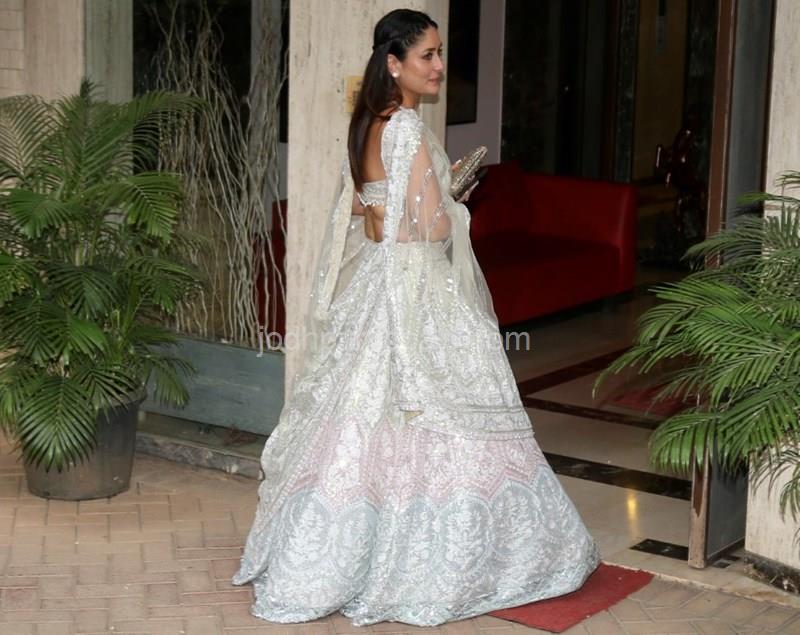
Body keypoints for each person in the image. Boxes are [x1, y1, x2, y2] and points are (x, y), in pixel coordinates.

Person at [232, 8, 600, 627]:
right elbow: (429, 230)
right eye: (427, 55)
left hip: (376, 289)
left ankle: (325, 554)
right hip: (418, 291)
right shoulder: (405, 127)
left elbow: (363, 210)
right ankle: (434, 561)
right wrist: (454, 201)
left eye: (439, 53)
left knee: (360, 419)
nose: (439, 66)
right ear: (394, 63)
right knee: (441, 412)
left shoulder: (367, 123)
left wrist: (412, 204)